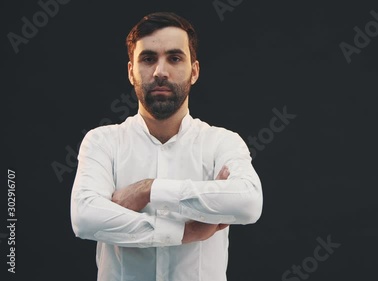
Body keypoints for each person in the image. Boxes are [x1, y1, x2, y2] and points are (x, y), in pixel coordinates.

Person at [70, 11, 263, 281]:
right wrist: (187, 232)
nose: (160, 72)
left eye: (174, 58)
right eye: (148, 59)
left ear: (194, 71)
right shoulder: (102, 142)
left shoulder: (222, 142)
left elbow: (249, 203)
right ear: (130, 71)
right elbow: (85, 217)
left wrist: (150, 190)